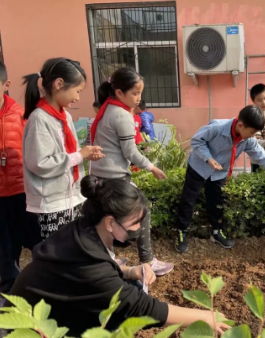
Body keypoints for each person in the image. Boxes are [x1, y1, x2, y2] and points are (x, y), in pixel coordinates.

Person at [7, 176, 230, 337]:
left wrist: (128, 271)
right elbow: (144, 308)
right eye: (135, 223)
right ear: (110, 223)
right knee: (119, 314)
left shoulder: (83, 229)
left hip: (44, 309)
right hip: (24, 329)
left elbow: (87, 272)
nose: (139, 228)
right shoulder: (91, 265)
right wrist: (208, 318)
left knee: (129, 285)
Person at [175, 105, 265, 253]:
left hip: (219, 172)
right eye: (252, 132)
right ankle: (181, 231)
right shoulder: (217, 127)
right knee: (189, 199)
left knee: (217, 202)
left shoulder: (247, 140)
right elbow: (196, 141)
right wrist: (209, 159)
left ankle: (216, 232)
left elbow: (264, 158)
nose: (253, 136)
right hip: (199, 167)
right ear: (240, 125)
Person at [90, 67, 173, 276]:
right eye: (135, 93)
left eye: (140, 93)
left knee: (104, 219)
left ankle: (109, 258)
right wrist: (152, 167)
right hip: (114, 177)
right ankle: (148, 260)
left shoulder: (108, 108)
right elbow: (130, 151)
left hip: (100, 174)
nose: (139, 98)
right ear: (119, 93)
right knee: (142, 210)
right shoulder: (121, 115)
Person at [22, 58, 104, 241]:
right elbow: (39, 163)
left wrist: (86, 155)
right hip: (52, 203)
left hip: (72, 197)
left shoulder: (64, 116)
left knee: (75, 250)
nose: (78, 97)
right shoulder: (39, 119)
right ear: (59, 84)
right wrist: (79, 155)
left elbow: (69, 153)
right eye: (77, 91)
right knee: (59, 257)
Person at [0, 62, 40, 297]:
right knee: (6, 253)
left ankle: (43, 291)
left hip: (24, 194)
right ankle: (10, 301)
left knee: (39, 245)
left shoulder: (22, 115)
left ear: (6, 85)